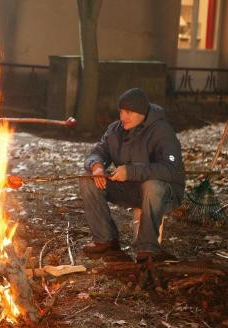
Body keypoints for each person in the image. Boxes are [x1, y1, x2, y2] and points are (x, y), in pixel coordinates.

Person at [78, 88, 185, 262]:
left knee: (153, 185)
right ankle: (106, 239)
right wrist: (96, 166)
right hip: (130, 188)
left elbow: (170, 169)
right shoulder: (115, 130)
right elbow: (97, 152)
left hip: (164, 193)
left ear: (142, 112)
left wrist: (130, 171)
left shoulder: (162, 131)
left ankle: (147, 248)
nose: (122, 117)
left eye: (128, 112)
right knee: (87, 179)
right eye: (121, 111)